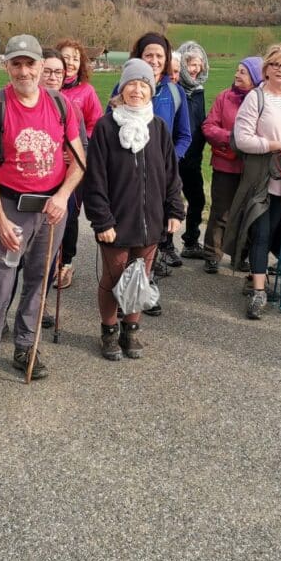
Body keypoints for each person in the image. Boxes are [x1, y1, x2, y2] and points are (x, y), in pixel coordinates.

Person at [0, 35, 85, 383]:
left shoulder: (61, 106)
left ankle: (26, 346)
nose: (23, 71)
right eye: (16, 64)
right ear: (7, 67)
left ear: (40, 66)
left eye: (29, 63)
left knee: (38, 280)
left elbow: (79, 161)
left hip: (51, 211)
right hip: (11, 207)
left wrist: (62, 196)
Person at [83, 59, 185, 359]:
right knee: (114, 277)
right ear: (122, 89)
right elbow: (95, 179)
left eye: (143, 85)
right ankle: (109, 331)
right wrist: (102, 220)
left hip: (151, 220)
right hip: (115, 222)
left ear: (151, 90)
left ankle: (131, 331)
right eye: (131, 84)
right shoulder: (106, 127)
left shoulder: (159, 127)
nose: (137, 90)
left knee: (141, 277)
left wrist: (174, 210)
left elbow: (170, 174)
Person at [225, 44, 281, 320]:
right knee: (261, 231)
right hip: (260, 177)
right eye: (275, 64)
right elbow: (243, 139)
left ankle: (256, 276)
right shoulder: (256, 98)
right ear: (266, 69)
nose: (280, 70)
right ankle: (258, 291)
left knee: (275, 229)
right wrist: (277, 145)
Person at [115, 33, 191, 275]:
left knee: (154, 227)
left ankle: (147, 278)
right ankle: (125, 279)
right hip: (128, 174)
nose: (155, 61)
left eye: (160, 56)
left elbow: (185, 135)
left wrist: (169, 161)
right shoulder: (123, 88)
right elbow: (110, 128)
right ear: (139, 56)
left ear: (167, 58)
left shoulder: (175, 92)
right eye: (149, 55)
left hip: (160, 176)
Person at [201, 57, 263, 275]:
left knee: (247, 214)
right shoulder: (224, 97)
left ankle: (240, 256)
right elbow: (208, 127)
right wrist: (233, 138)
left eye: (243, 72)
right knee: (221, 212)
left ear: (256, 77)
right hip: (225, 164)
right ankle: (212, 255)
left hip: (252, 167)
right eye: (237, 70)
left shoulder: (263, 101)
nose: (237, 75)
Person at [54, 38, 104, 290]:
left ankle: (66, 262)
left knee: (69, 213)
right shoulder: (45, 88)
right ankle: (47, 258)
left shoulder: (86, 92)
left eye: (75, 58)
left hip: (74, 165)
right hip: (46, 166)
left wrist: (76, 152)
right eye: (66, 57)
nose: (71, 63)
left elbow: (96, 125)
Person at [175, 41, 212, 261]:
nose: (195, 69)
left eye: (199, 65)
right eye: (191, 64)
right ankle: (164, 246)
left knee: (197, 199)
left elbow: (200, 121)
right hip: (175, 156)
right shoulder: (175, 88)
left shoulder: (198, 90)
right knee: (171, 203)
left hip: (194, 157)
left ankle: (190, 242)